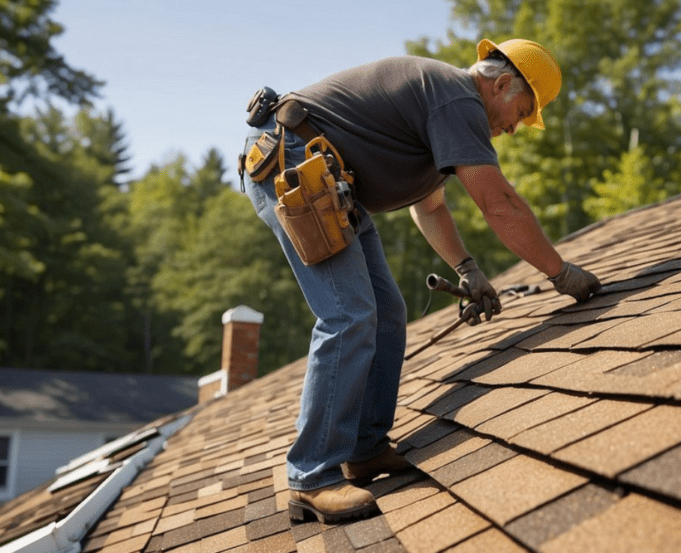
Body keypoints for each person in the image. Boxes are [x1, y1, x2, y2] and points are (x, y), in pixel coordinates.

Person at [240, 38, 601, 524]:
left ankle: (364, 448)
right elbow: (499, 204)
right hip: (294, 164)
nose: (515, 128)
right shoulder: (457, 98)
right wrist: (561, 273)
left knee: (387, 313)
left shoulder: (445, 106)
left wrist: (467, 269)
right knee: (348, 314)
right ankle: (311, 475)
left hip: (330, 178)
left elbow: (429, 206)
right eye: (521, 112)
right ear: (501, 85)